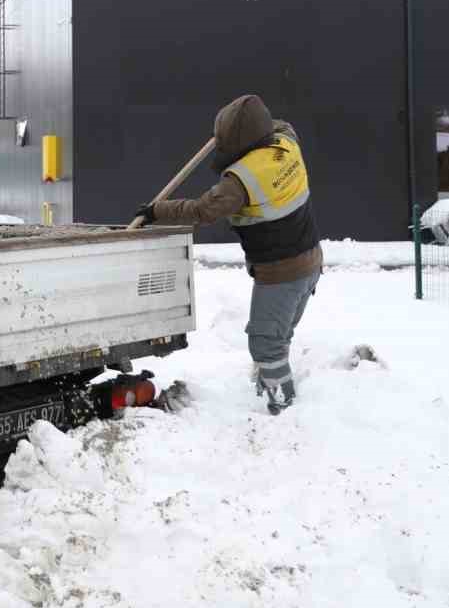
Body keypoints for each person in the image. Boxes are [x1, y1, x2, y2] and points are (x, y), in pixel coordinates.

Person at [133, 94, 322, 414]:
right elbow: (282, 125)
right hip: (311, 260)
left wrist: (156, 211)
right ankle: (271, 385)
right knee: (279, 335)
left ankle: (284, 407)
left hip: (281, 273)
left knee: (265, 341)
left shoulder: (241, 180)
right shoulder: (286, 144)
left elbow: (202, 210)